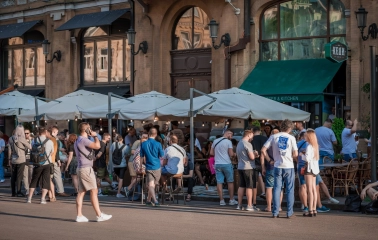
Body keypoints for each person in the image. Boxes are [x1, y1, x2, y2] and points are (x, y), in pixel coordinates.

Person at [74, 122, 112, 222]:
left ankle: (79, 215)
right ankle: (99, 215)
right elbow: (97, 146)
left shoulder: (78, 140)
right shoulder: (84, 140)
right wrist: (95, 136)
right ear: (87, 130)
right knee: (94, 191)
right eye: (89, 129)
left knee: (81, 192)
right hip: (86, 169)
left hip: (81, 167)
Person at [261, 119, 298, 218]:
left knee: (276, 188)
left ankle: (275, 212)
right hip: (288, 166)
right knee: (289, 189)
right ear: (289, 128)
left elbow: (263, 150)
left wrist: (269, 160)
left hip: (277, 165)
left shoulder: (273, 137)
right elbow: (295, 154)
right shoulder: (291, 138)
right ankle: (289, 212)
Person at [210, 130, 238, 206]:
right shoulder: (228, 142)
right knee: (230, 181)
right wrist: (235, 154)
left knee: (219, 182)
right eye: (231, 135)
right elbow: (231, 154)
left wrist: (219, 154)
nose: (231, 137)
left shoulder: (215, 141)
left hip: (217, 164)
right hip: (226, 164)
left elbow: (211, 153)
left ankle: (221, 200)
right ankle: (231, 199)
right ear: (228, 134)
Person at [27, 127, 53, 204]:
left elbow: (31, 149)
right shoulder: (49, 141)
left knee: (34, 180)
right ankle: (42, 199)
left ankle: (29, 198)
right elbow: (52, 152)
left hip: (37, 163)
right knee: (45, 181)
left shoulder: (34, 140)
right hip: (47, 163)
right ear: (45, 132)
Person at [140, 128, 164, 206]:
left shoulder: (143, 144)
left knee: (151, 185)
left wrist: (140, 166)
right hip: (157, 166)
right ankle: (155, 200)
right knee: (152, 185)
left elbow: (141, 156)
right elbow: (162, 155)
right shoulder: (158, 144)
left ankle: (148, 200)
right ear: (156, 134)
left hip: (149, 166)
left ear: (148, 133)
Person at [236, 130, 258, 211]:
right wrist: (255, 155)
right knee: (249, 186)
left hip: (240, 166)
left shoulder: (239, 143)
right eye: (252, 136)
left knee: (241, 186)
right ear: (249, 135)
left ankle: (239, 205)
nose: (252, 138)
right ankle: (249, 205)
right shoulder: (248, 144)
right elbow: (251, 157)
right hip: (248, 167)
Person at [301, 129, 320, 217]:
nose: (305, 137)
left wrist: (302, 155)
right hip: (315, 169)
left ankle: (310, 209)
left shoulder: (309, 146)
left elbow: (307, 159)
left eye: (306, 136)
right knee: (313, 190)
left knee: (309, 190)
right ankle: (314, 209)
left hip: (309, 169)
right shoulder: (315, 146)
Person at [8, 125, 31, 197]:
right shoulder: (22, 139)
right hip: (21, 159)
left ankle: (13, 192)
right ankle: (18, 191)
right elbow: (30, 147)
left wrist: (9, 159)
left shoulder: (11, 138)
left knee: (13, 176)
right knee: (19, 176)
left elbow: (9, 150)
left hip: (14, 159)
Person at [95, 133, 116, 197]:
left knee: (106, 175)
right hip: (100, 163)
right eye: (109, 138)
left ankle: (113, 185)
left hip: (102, 163)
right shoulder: (103, 145)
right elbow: (99, 154)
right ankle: (99, 192)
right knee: (99, 178)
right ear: (105, 138)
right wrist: (95, 158)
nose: (110, 139)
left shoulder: (100, 143)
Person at [51, 126, 70, 197]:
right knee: (57, 175)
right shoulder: (55, 140)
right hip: (55, 159)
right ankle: (60, 191)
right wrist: (58, 160)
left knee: (50, 177)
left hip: (49, 160)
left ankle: (51, 192)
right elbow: (56, 151)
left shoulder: (49, 139)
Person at [251, 126, 268, 203]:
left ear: (253, 132)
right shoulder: (265, 138)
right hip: (264, 162)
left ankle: (254, 202)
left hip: (253, 162)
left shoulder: (251, 140)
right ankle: (268, 202)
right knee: (267, 183)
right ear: (260, 131)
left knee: (254, 183)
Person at [296, 132, 309, 213]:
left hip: (301, 166)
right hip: (311, 167)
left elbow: (294, 155)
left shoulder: (299, 143)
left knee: (302, 186)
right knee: (311, 187)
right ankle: (311, 205)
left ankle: (304, 205)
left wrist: (297, 161)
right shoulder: (313, 144)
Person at [23, 128, 33, 195]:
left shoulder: (32, 141)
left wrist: (30, 141)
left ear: (29, 133)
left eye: (27, 133)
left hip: (31, 159)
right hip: (24, 159)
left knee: (31, 175)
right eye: (25, 133)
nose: (26, 134)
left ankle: (32, 189)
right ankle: (27, 189)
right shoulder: (22, 141)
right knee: (25, 176)